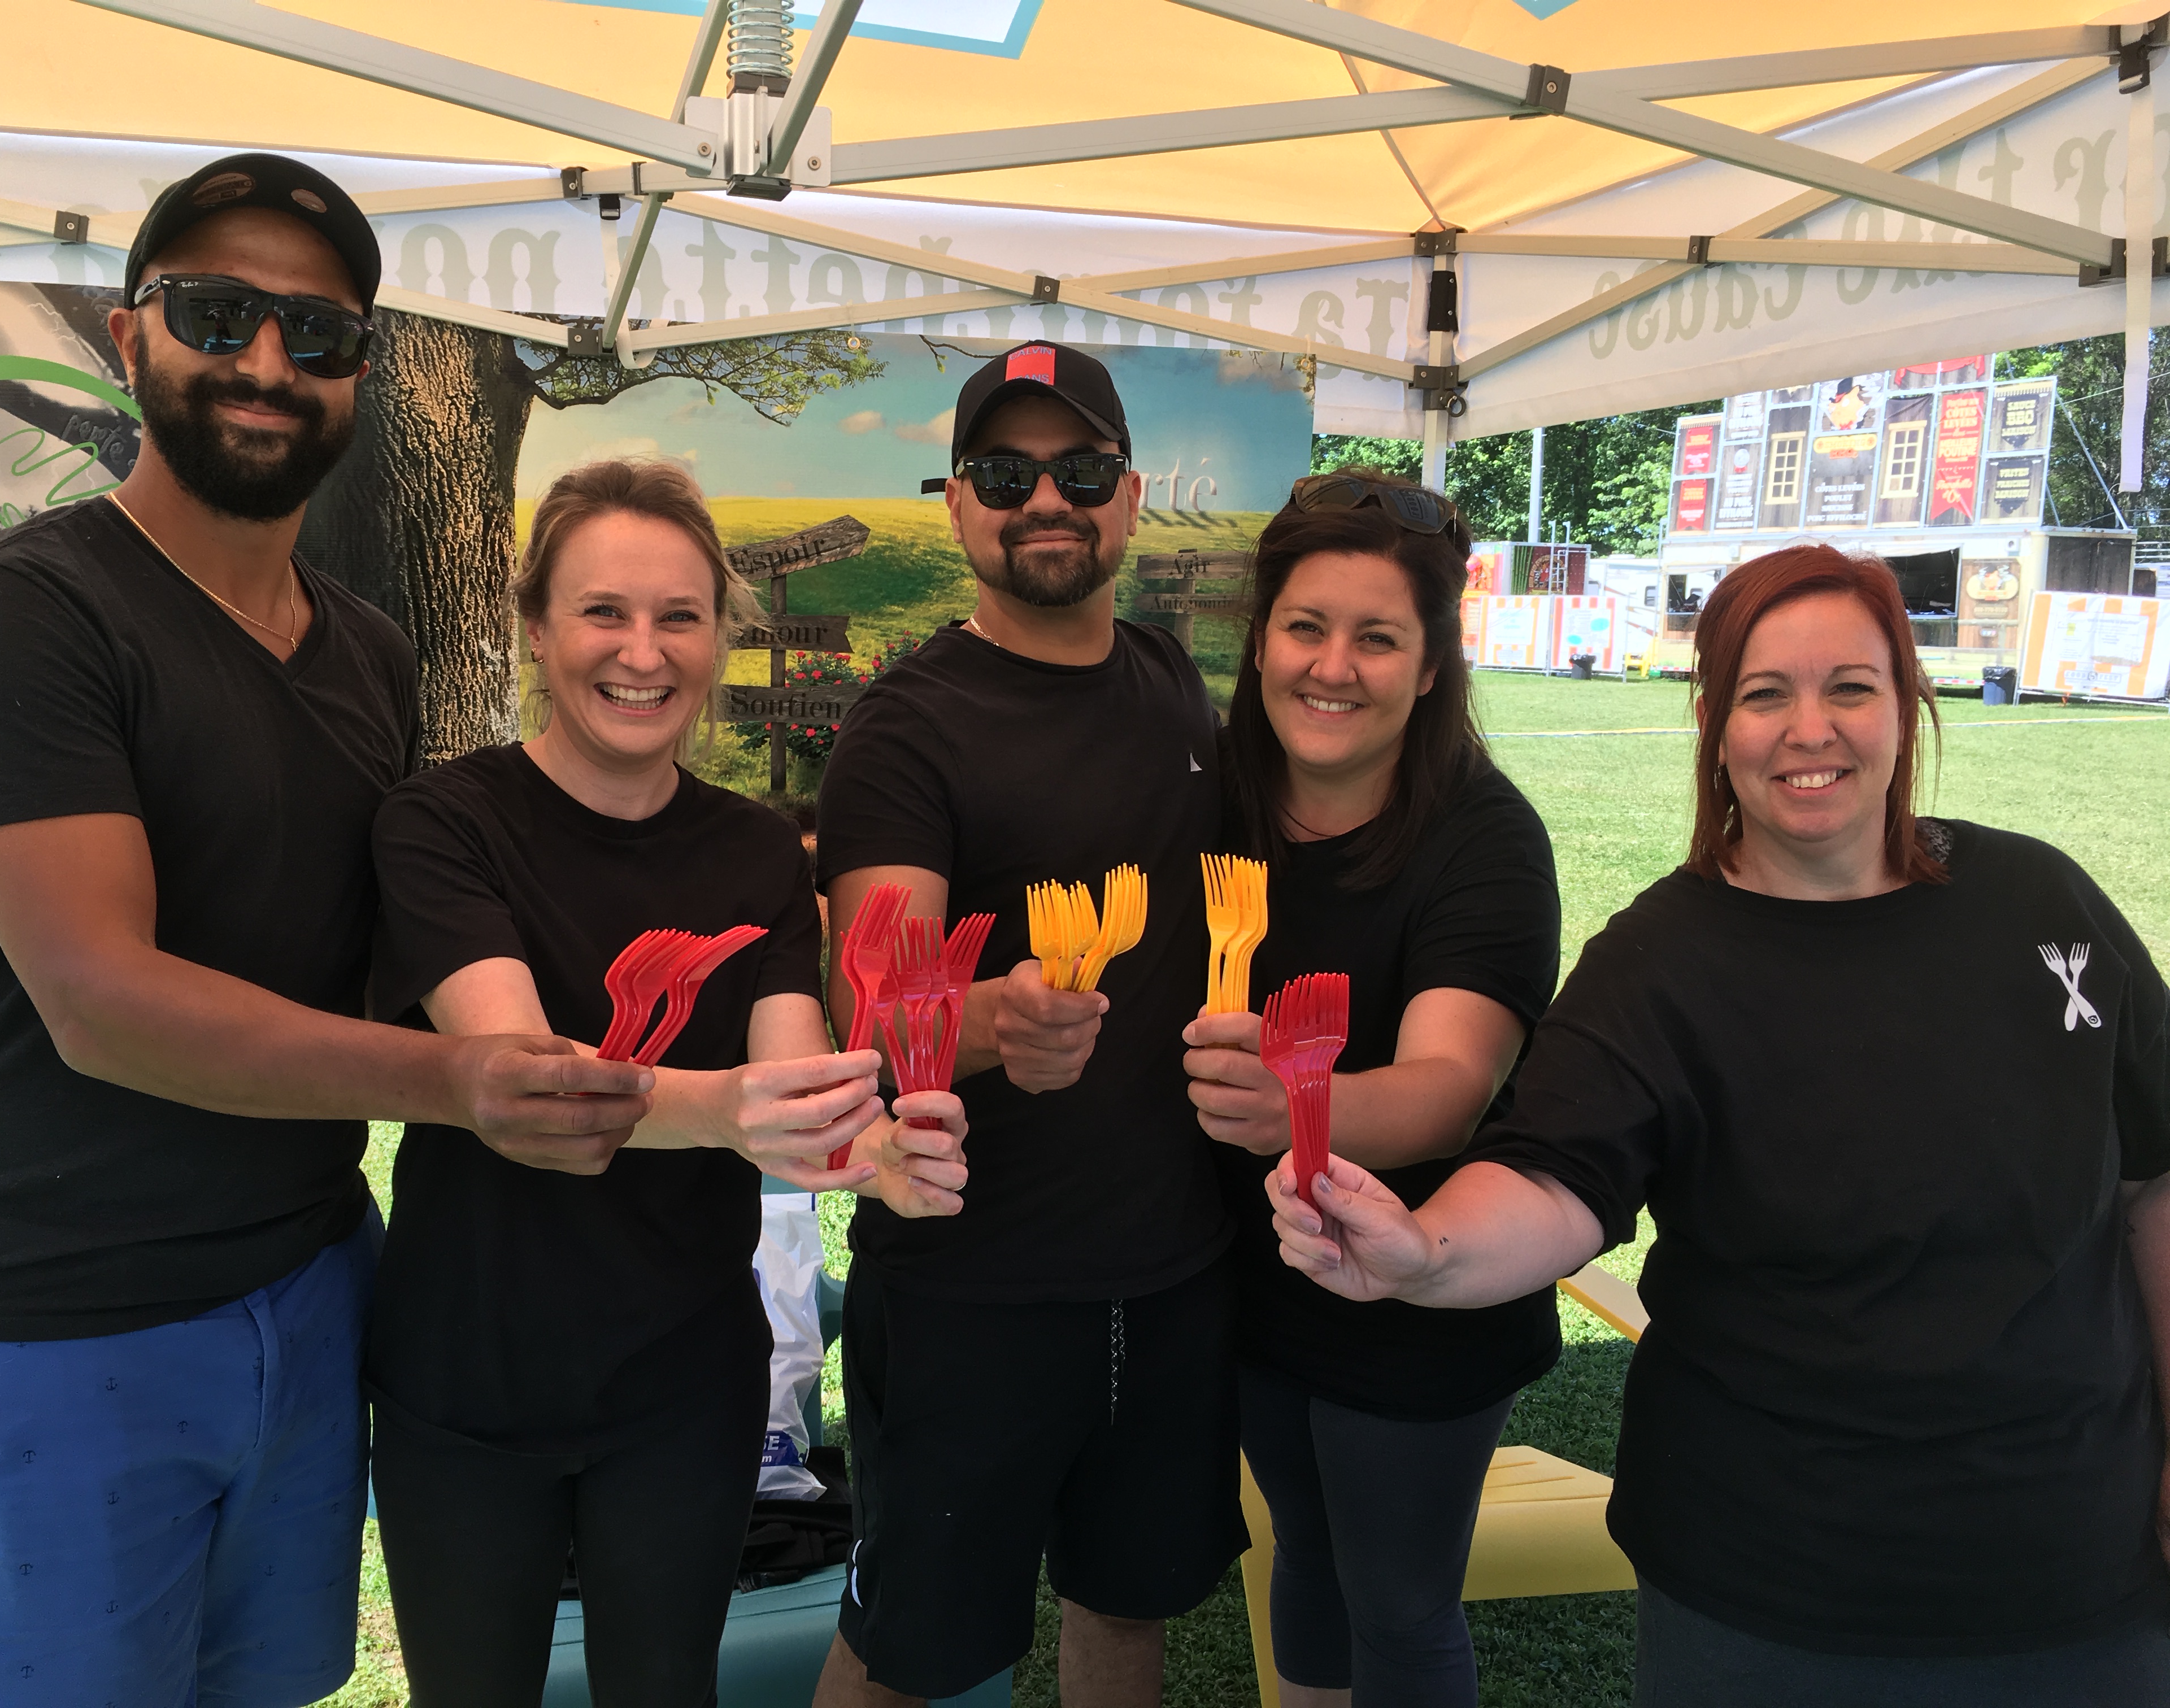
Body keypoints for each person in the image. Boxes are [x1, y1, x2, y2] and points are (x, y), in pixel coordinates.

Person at [0, 154, 654, 1708]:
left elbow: (386, 948)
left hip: (309, 1285)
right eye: (215, 313)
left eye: (317, 333)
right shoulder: (19, 612)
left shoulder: (368, 652)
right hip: (55, 1319)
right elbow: (103, 999)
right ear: (129, 338)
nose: (265, 361)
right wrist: (464, 1085)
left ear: (358, 374)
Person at [1267, 543, 2170, 1706]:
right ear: (1715, 725)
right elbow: (1553, 1175)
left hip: (2078, 1577)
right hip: (1763, 1591)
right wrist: (1425, 1252)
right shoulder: (1660, 960)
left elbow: (2155, 1182)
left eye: (1851, 687)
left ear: (1906, 704)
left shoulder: (2041, 902)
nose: (1810, 730)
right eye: (1765, 694)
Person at [364, 458, 971, 1706]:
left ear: (717, 640)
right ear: (537, 630)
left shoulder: (757, 849)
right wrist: (725, 1111)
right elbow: (525, 1089)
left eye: (679, 617)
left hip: (684, 1385)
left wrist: (872, 1151)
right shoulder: (443, 822)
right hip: (468, 1378)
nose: (642, 653)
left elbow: (790, 1082)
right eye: (604, 611)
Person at [812, 342, 1247, 1707]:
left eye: (1081, 472)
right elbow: (872, 1003)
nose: (1046, 500)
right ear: (957, 502)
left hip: (1172, 1271)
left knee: (1128, 1610)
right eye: (1006, 475)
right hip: (970, 1287)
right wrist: (995, 1016)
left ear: (1130, 498)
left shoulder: (1171, 684)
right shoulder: (906, 728)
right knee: (907, 1653)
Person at [1181, 472, 1560, 1707]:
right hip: (1260, 1272)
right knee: (1305, 1553)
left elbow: (1452, 1085)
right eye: (1306, 627)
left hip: (1422, 1284)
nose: (1333, 667)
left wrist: (1293, 1105)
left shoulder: (1485, 840)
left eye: (1378, 638)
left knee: (1398, 1601)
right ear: (1262, 640)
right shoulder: (1212, 805)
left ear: (1434, 666)